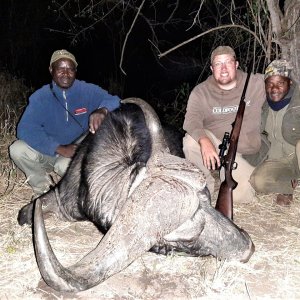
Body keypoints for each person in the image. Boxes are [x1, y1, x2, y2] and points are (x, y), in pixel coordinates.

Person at [9, 49, 120, 197]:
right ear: (51, 69)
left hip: (75, 152)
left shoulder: (87, 90)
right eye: (60, 68)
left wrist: (103, 110)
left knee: (64, 167)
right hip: (48, 151)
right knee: (17, 149)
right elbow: (24, 129)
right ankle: (43, 190)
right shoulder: (40, 97)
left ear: (75, 71)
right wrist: (58, 148)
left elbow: (115, 100)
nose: (66, 73)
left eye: (70, 68)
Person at [183, 46, 266, 203]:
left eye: (228, 62)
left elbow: (283, 82)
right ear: (212, 68)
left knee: (240, 197)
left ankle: (230, 177)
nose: (223, 68)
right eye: (218, 64)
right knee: (190, 141)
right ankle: (204, 185)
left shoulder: (255, 83)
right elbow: (191, 120)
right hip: (217, 145)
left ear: (236, 64)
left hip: (247, 153)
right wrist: (204, 141)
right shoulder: (200, 92)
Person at [250, 59, 300, 206]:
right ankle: (287, 185)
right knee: (257, 182)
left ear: (289, 83)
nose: (274, 88)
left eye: (280, 83)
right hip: (279, 161)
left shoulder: (297, 102)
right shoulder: (263, 105)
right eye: (270, 83)